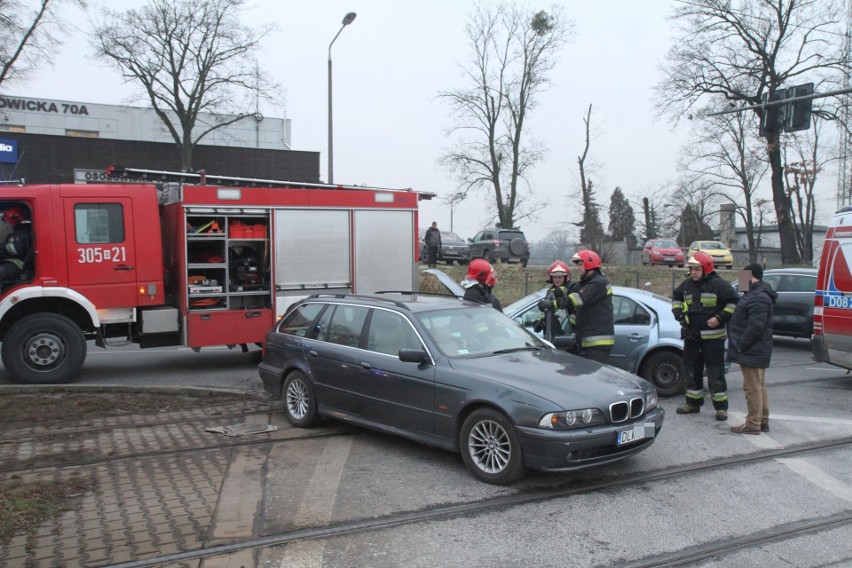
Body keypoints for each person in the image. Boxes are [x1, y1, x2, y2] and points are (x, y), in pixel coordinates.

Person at [672, 251, 739, 421]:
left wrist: (719, 318)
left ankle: (721, 408)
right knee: (691, 371)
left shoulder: (719, 285)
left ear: (706, 269)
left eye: (697, 269)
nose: (693, 272)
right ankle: (693, 403)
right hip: (692, 337)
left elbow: (733, 302)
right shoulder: (686, 285)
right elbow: (676, 298)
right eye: (692, 269)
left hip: (713, 339)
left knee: (715, 373)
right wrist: (679, 313)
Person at [728, 263, 777, 434]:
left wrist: (741, 346)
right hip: (756, 349)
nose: (740, 280)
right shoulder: (756, 294)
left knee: (752, 388)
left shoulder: (758, 297)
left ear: (752, 276)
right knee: (759, 386)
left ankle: (753, 423)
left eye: (743, 276)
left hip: (752, 350)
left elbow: (756, 326)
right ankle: (762, 420)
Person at [547, 250, 614, 363]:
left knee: (590, 378)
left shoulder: (598, 283)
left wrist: (552, 304)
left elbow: (577, 298)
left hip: (597, 345)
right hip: (588, 343)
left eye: (580, 265)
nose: (577, 268)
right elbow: (573, 289)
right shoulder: (589, 282)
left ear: (589, 264)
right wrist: (558, 291)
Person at [534, 260, 571, 341]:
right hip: (551, 332)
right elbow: (547, 310)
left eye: (560, 277)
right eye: (555, 277)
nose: (557, 280)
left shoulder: (570, 289)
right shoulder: (551, 290)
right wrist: (541, 321)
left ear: (565, 277)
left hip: (564, 334)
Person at [0, 205, 32, 288]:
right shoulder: (16, 232)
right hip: (11, 260)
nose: (5, 224)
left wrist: (2, 248)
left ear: (14, 220)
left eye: (7, 222)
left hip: (19, 263)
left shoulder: (24, 232)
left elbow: (16, 249)